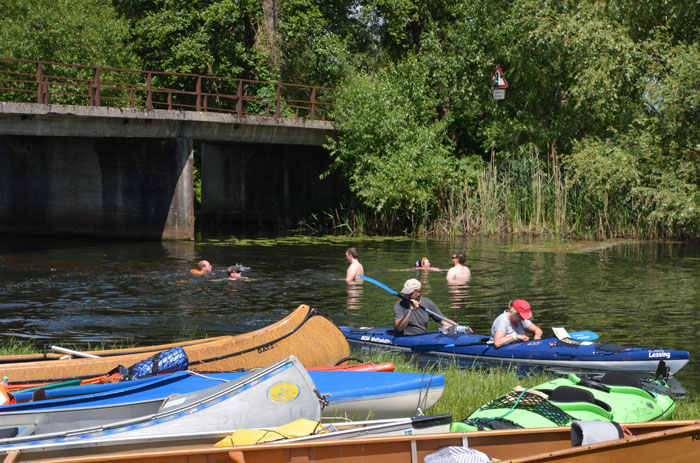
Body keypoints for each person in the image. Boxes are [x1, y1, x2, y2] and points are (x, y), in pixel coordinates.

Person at [394, 278, 458, 335]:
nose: (406, 296)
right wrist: (410, 311)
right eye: (405, 293)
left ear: (418, 292)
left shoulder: (428, 303)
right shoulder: (399, 305)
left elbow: (443, 321)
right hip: (404, 338)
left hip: (421, 337)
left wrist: (462, 328)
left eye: (409, 294)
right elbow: (399, 328)